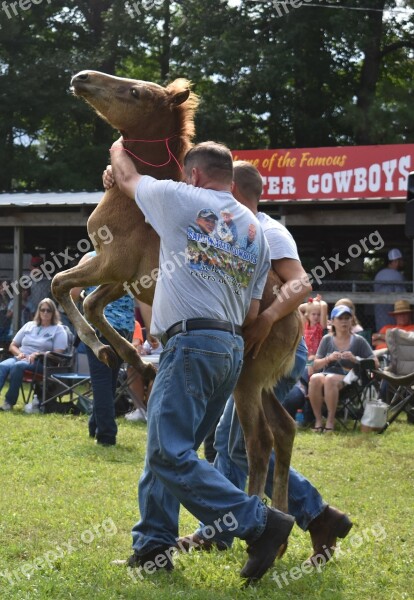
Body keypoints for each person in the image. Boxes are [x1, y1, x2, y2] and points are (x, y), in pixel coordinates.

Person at [108, 139, 294, 582]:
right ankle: (153, 547)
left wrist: (118, 145)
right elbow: (252, 314)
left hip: (190, 344)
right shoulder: (254, 228)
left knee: (168, 451)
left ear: (193, 175)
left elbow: (129, 179)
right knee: (168, 448)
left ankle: (259, 522)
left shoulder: (181, 199)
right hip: (229, 350)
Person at [180, 162, 352, 566]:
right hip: (261, 344)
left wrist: (267, 319)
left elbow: (301, 283)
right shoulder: (234, 228)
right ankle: (298, 518)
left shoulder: (266, 229)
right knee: (239, 440)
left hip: (275, 344)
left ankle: (289, 519)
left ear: (234, 189)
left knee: (236, 444)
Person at [71, 252, 135, 446]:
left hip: (99, 326)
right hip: (125, 330)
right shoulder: (131, 258)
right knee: (109, 381)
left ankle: (107, 434)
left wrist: (84, 295)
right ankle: (94, 425)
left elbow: (73, 292)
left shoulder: (91, 257)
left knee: (101, 382)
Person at [309, 304, 378, 432]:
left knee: (329, 379)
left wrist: (355, 359)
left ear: (351, 320)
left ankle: (330, 421)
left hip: (350, 379)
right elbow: (315, 365)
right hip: (328, 374)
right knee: (314, 378)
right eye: (340, 318)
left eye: (347, 318)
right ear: (333, 321)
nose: (344, 321)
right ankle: (318, 421)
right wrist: (328, 359)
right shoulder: (326, 340)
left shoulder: (359, 341)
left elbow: (375, 363)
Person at [0, 298, 67, 411]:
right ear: (38, 311)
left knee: (18, 366)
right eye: (42, 310)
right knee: (2, 366)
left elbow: (58, 354)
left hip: (41, 363)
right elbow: (13, 345)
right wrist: (20, 353)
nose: (45, 313)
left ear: (53, 312)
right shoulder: (29, 325)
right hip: (21, 357)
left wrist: (39, 354)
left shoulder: (58, 329)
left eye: (48, 310)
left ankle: (8, 403)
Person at [374, 248, 406, 331]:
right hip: (393, 313)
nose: (402, 263)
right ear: (396, 261)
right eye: (401, 261)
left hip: (379, 311)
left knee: (382, 333)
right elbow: (402, 297)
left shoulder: (379, 274)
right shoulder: (397, 275)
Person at [300, 295, 328, 363]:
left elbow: (324, 305)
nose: (316, 317)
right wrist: (310, 303)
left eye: (319, 314)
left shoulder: (320, 326)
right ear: (308, 315)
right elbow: (299, 308)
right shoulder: (305, 324)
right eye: (313, 314)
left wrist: (319, 302)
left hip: (317, 358)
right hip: (305, 357)